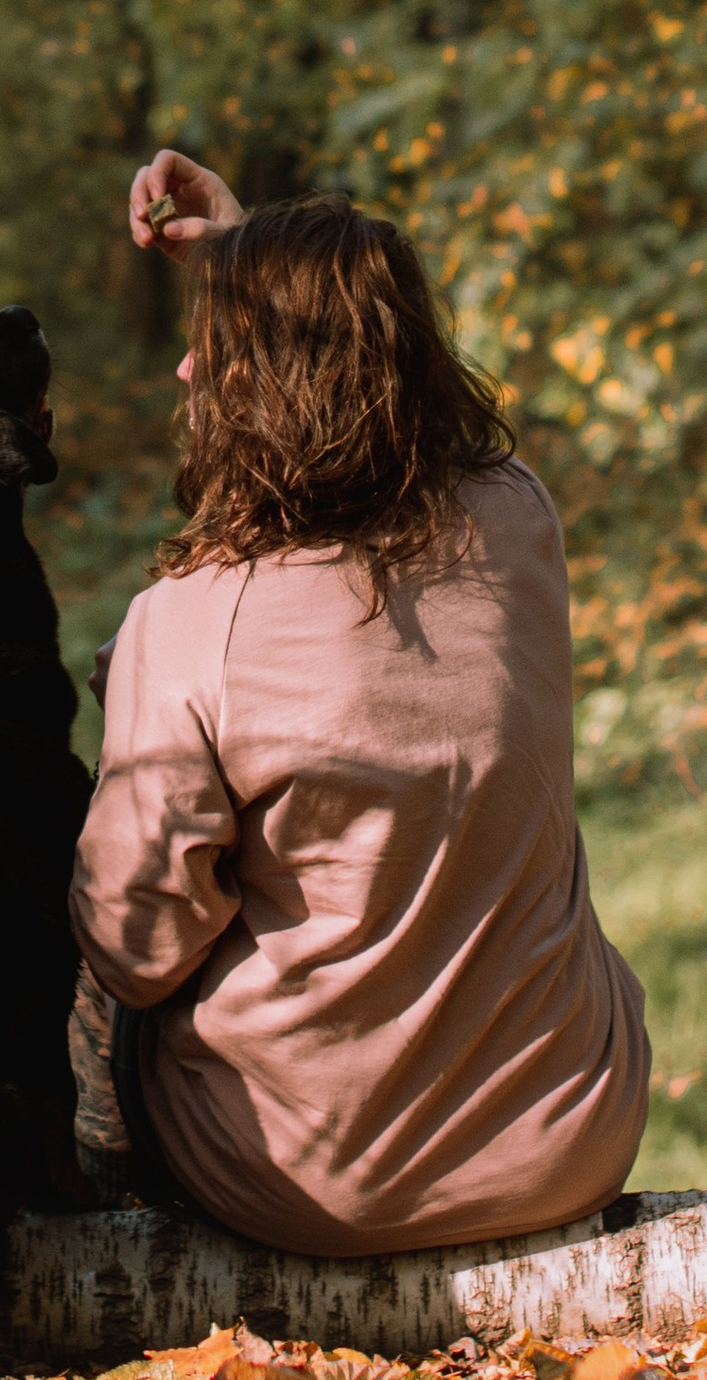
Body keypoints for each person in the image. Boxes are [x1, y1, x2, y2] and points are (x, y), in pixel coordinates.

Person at [69, 151, 650, 1258]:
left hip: (316, 1187)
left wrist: (128, 725)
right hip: (565, 1140)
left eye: (217, 349)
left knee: (93, 948)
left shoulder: (185, 623)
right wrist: (256, 261)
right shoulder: (516, 523)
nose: (189, 373)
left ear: (257, 386)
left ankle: (106, 1241)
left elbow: (137, 950)